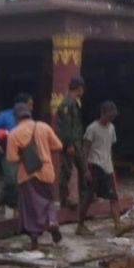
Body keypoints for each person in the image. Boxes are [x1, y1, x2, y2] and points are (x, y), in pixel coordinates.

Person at [5, 102, 64, 249]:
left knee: (30, 208)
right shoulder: (43, 126)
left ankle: (34, 238)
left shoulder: (13, 134)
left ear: (15, 117)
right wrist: (43, 149)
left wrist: (24, 156)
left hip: (27, 174)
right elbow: (58, 146)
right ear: (29, 114)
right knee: (48, 201)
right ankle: (52, 222)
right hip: (47, 171)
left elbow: (11, 159)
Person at [0, 92, 33, 219]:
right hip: (7, 152)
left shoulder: (29, 119)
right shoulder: (5, 116)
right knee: (10, 179)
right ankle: (2, 203)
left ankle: (17, 208)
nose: (31, 108)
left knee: (21, 181)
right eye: (29, 105)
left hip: (23, 153)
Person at [81, 100, 126, 235]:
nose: (111, 118)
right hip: (95, 165)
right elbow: (85, 149)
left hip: (107, 166)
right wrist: (86, 169)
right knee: (89, 197)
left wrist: (112, 167)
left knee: (113, 197)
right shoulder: (92, 128)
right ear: (102, 113)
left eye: (113, 116)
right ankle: (80, 225)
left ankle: (117, 225)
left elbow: (110, 148)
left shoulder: (112, 128)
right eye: (109, 115)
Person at [54, 76, 88, 220]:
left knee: (83, 170)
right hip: (70, 144)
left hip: (76, 143)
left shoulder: (75, 103)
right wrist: (69, 145)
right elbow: (66, 127)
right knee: (66, 172)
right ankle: (63, 201)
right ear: (79, 88)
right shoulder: (67, 104)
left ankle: (84, 198)